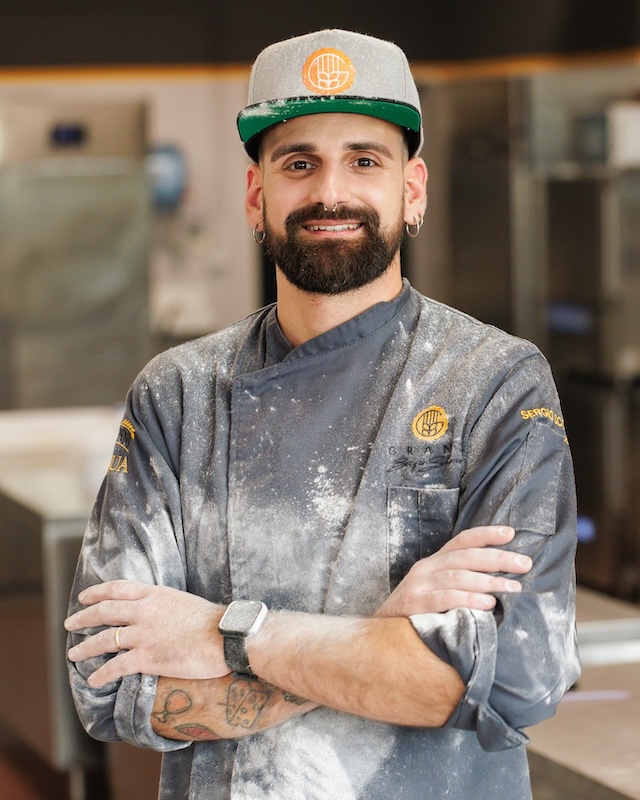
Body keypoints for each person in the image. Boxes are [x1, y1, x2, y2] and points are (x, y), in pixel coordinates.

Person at [65, 29, 580, 800]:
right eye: (298, 162)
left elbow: (513, 680)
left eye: (364, 161)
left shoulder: (496, 386)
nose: (329, 192)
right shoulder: (176, 395)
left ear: (412, 191)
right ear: (256, 195)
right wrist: (388, 630)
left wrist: (223, 634)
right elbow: (109, 688)